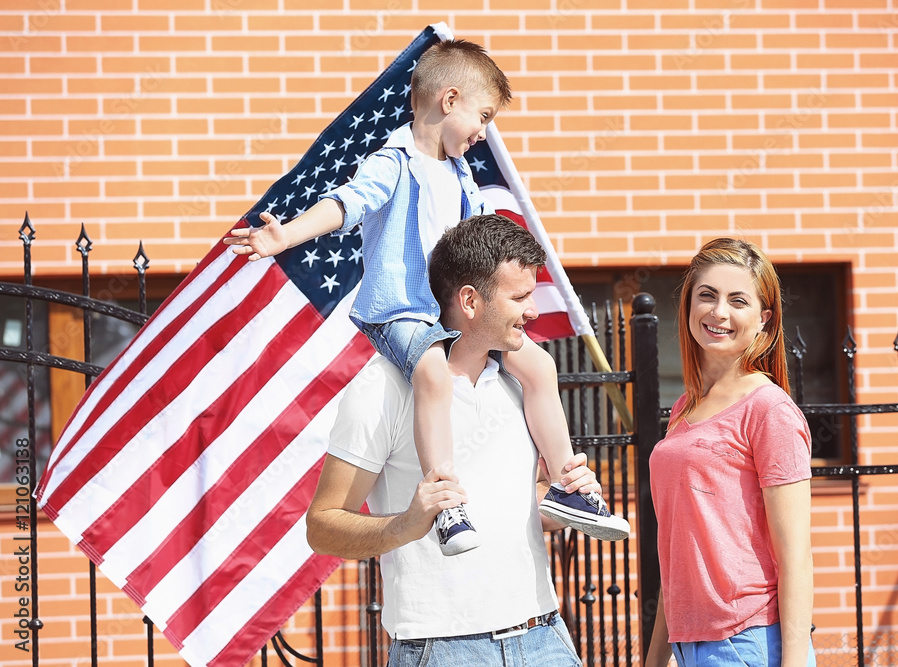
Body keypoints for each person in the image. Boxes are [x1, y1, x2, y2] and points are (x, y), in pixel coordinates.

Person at [224, 39, 628, 556]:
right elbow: (347, 204)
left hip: (458, 316)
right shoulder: (393, 163)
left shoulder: (463, 175)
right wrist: (285, 236)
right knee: (433, 372)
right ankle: (445, 501)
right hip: (403, 314)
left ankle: (569, 488)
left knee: (540, 367)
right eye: (482, 116)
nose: (484, 132)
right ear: (449, 99)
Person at [306, 214, 595, 666]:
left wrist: (563, 498)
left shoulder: (521, 381)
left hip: (544, 635)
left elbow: (522, 509)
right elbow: (322, 526)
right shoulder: (382, 388)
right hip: (442, 648)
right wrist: (405, 524)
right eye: (519, 297)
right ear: (470, 301)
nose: (533, 310)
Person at [645, 238, 816, 667]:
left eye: (737, 301)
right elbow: (679, 551)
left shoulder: (769, 409)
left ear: (764, 320)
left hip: (748, 642)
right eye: (707, 295)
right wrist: (655, 658)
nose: (719, 312)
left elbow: (795, 557)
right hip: (692, 646)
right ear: (688, 306)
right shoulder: (685, 408)